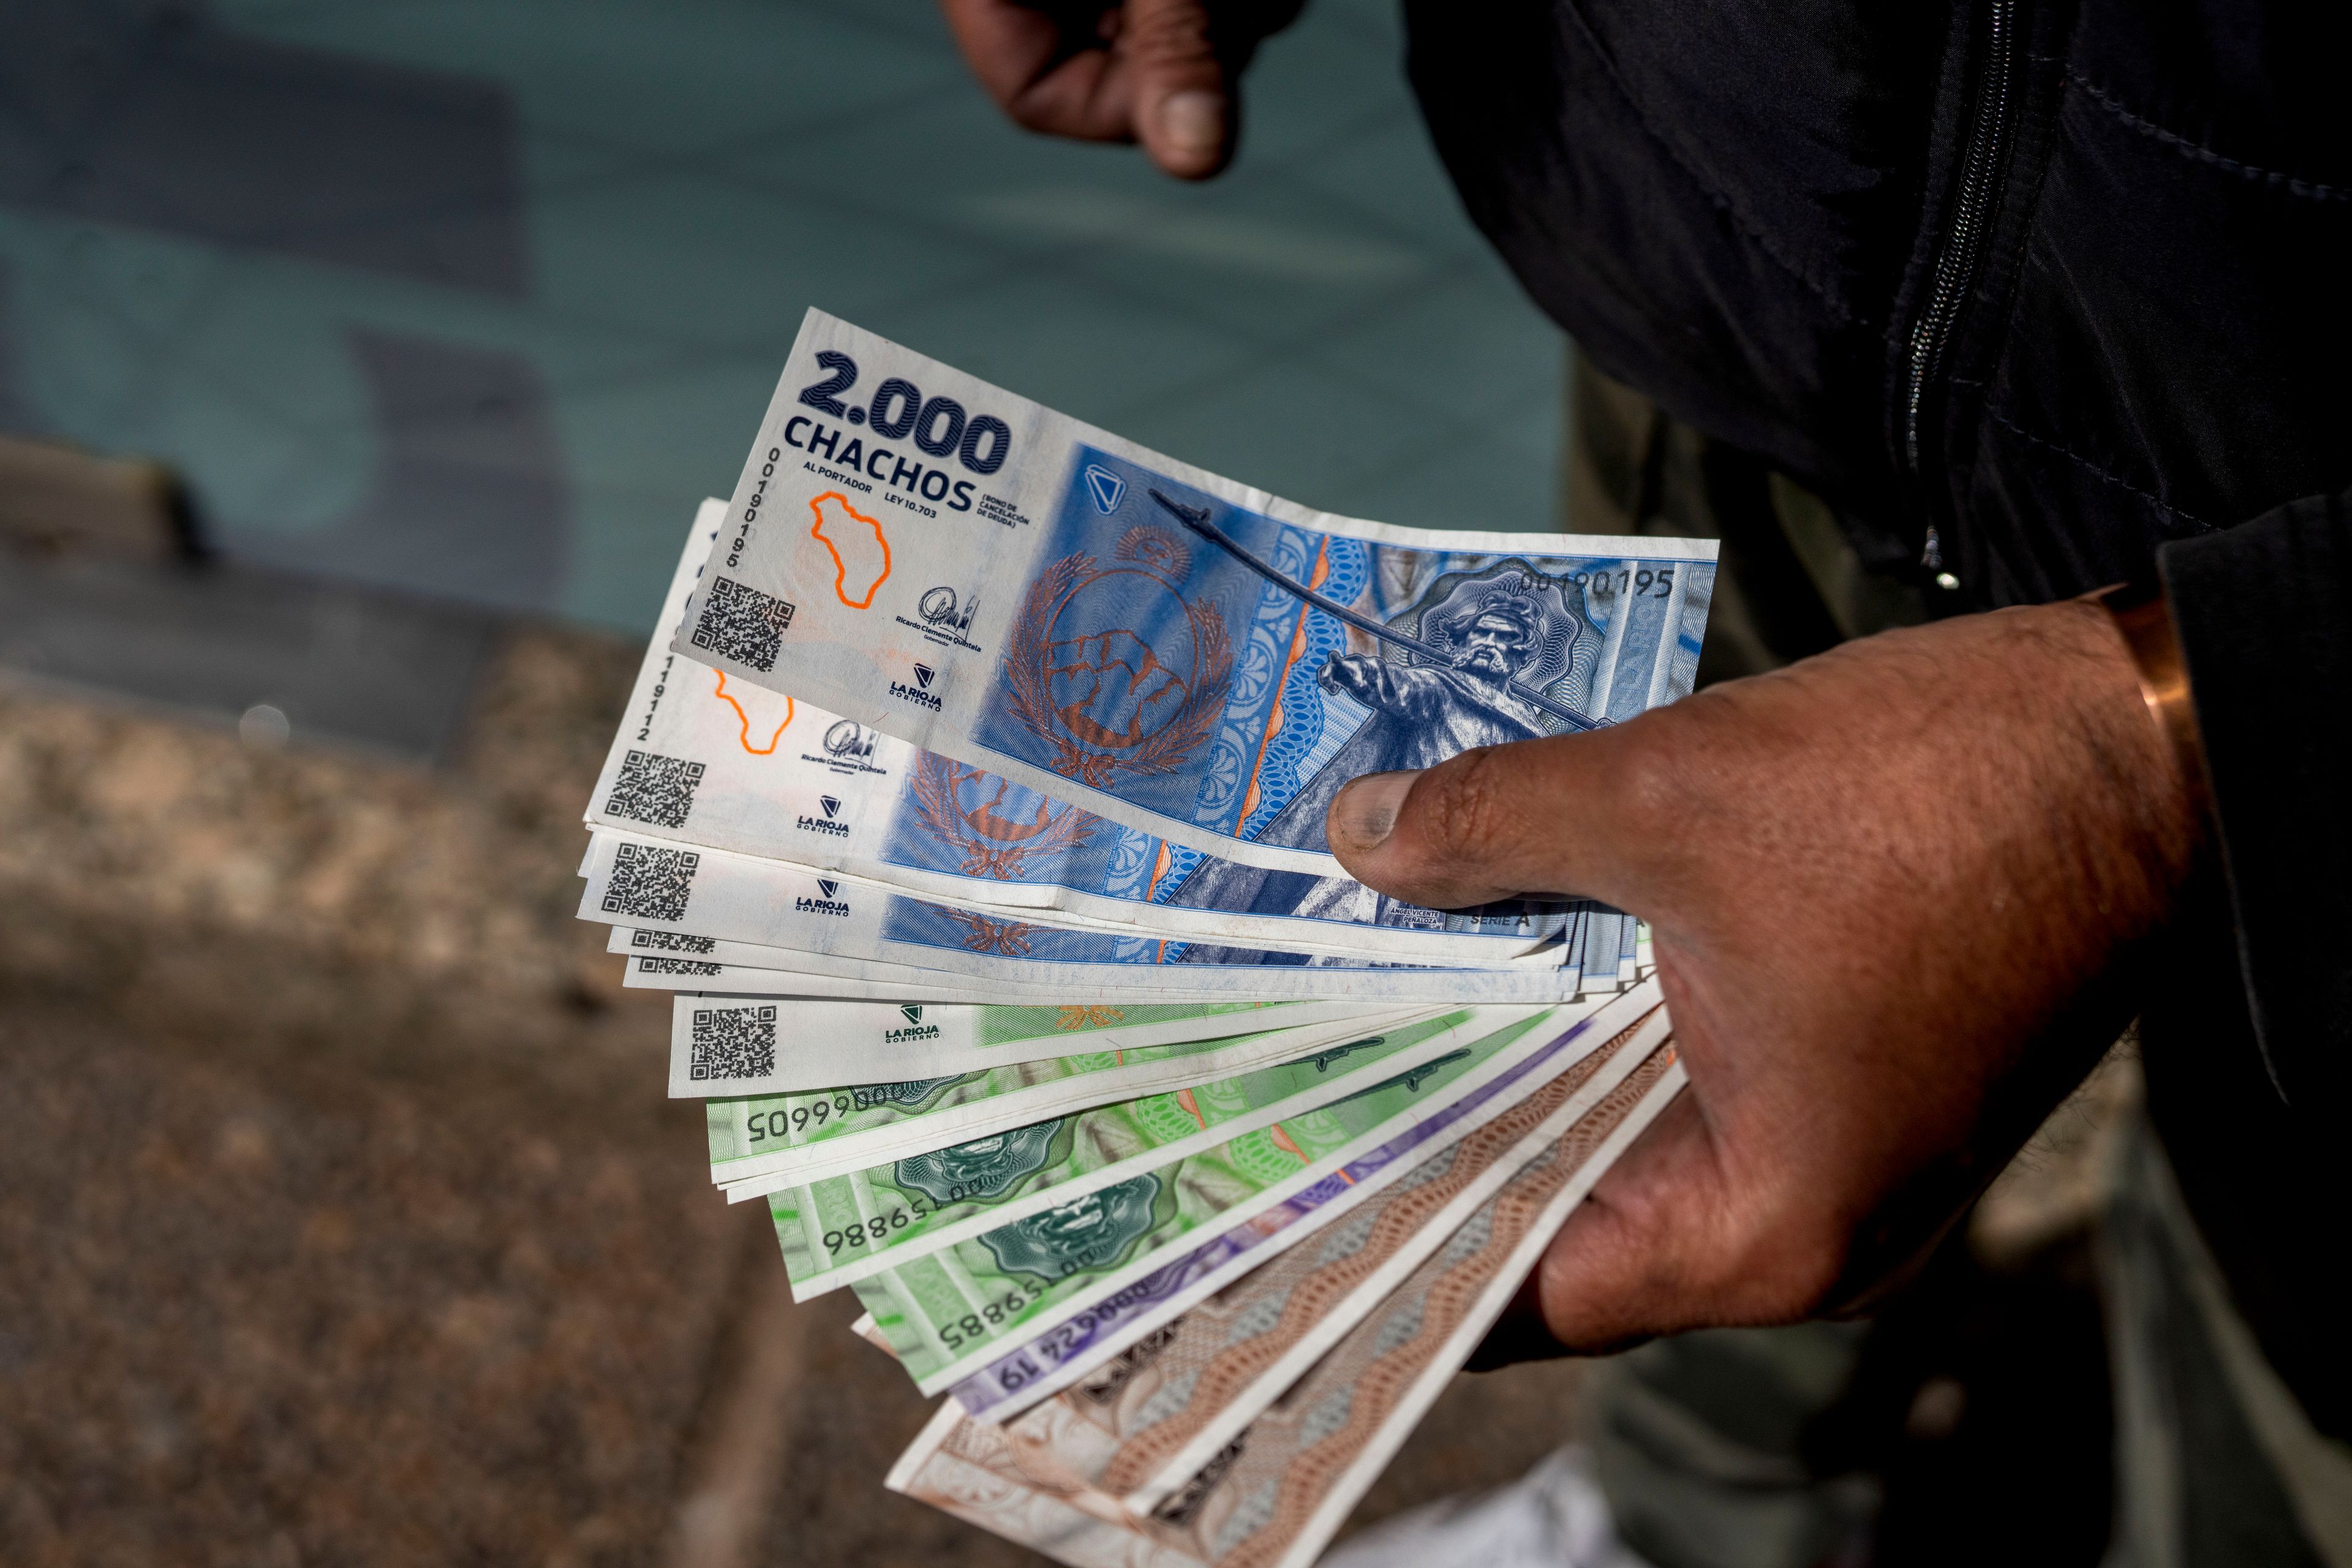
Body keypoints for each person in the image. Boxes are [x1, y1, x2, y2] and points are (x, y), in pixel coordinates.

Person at [935, 2, 2351, 1564]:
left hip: (2307, 514)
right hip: (1735, 297)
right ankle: (1691, 1521)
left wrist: (2201, 709)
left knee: (2299, 1343)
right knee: (1635, 1106)